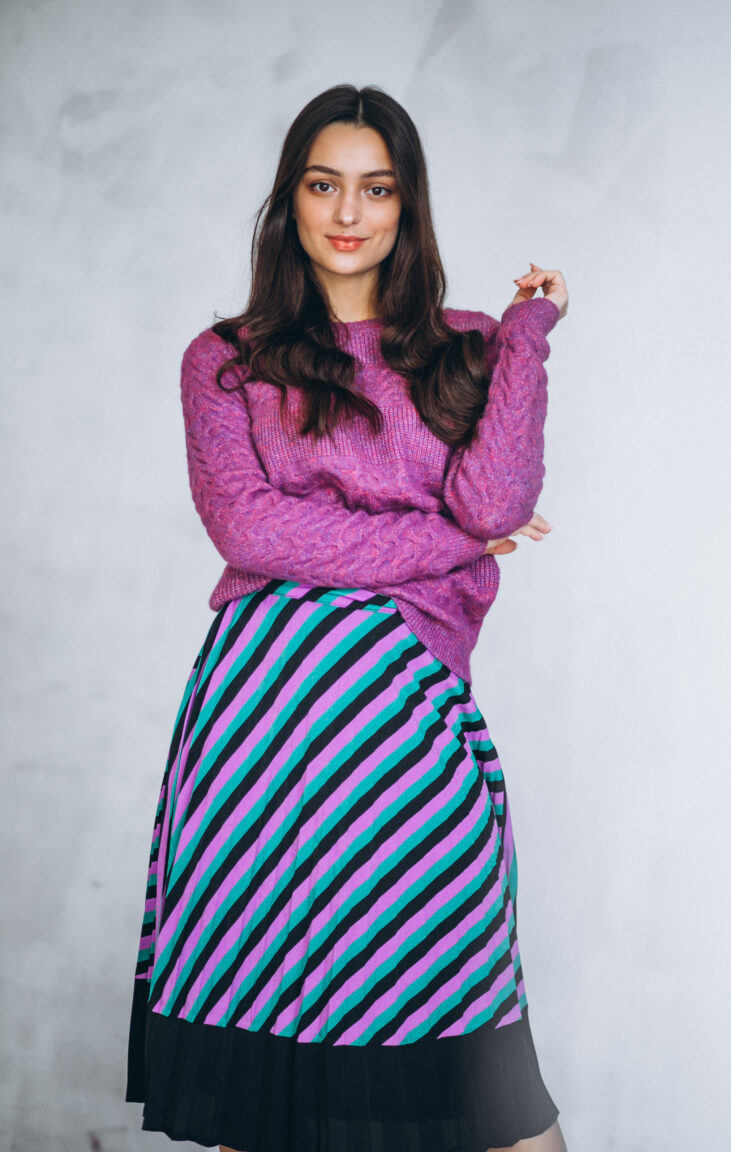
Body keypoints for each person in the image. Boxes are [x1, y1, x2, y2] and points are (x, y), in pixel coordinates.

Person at [125, 83, 569, 1152]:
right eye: (325, 184)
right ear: (291, 197)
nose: (349, 213)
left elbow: (496, 502)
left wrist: (529, 332)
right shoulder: (225, 359)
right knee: (262, 1076)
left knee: (483, 1079)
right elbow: (255, 532)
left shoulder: (471, 347)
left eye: (377, 188)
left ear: (409, 204)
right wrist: (450, 541)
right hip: (261, 732)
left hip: (408, 726)